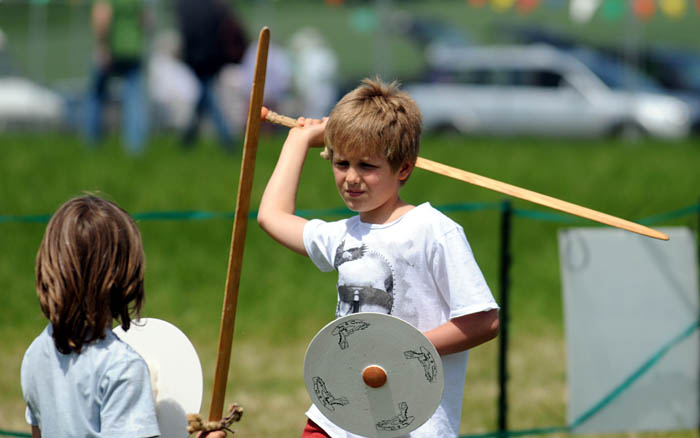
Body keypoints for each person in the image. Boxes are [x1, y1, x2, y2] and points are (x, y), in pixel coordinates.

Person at [257, 78, 500, 438]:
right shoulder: (344, 234)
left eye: (367, 166)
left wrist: (399, 349)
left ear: (403, 169)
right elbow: (271, 216)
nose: (351, 178)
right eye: (341, 163)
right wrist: (298, 141)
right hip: (337, 417)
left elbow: (484, 320)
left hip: (409, 421)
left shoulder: (432, 230)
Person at [176, 0, 247, 149]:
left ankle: (226, 138)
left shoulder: (186, 5)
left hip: (199, 56)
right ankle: (190, 137)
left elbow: (187, 32)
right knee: (205, 95)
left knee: (207, 97)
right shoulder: (214, 5)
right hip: (212, 56)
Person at [86, 0, 150, 155]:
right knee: (133, 99)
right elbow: (145, 19)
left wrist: (102, 47)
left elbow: (102, 17)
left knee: (96, 94)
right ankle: (135, 146)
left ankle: (93, 140)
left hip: (112, 49)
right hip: (133, 50)